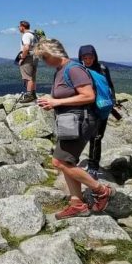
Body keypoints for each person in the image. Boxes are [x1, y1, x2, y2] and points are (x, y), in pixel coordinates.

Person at [35, 38, 114, 220]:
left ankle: (101, 191)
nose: (45, 62)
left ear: (54, 53)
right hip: (70, 121)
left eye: (45, 57)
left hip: (81, 120)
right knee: (68, 162)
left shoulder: (74, 69)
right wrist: (52, 102)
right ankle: (77, 204)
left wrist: (57, 101)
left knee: (59, 162)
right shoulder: (60, 70)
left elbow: (88, 95)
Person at [78, 44, 118, 178]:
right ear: (81, 57)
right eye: (85, 57)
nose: (88, 59)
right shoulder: (79, 70)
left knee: (96, 138)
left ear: (95, 56)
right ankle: (71, 159)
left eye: (91, 57)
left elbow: (110, 85)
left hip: (102, 107)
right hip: (86, 107)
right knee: (79, 135)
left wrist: (112, 100)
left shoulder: (103, 69)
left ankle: (93, 167)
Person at [17, 21, 39, 103]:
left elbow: (26, 47)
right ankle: (33, 94)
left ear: (22, 27)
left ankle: (29, 95)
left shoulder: (26, 35)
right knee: (32, 77)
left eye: (19, 26)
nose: (18, 28)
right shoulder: (33, 35)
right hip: (35, 57)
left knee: (27, 77)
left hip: (28, 58)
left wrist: (22, 58)